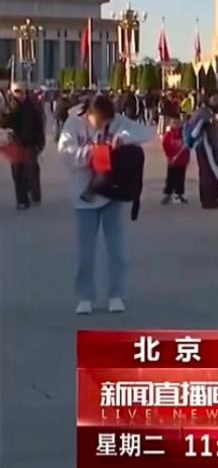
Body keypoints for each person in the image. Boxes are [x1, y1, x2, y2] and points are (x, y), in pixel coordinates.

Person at [58, 94, 153, 314]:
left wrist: (123, 138)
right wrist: (90, 153)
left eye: (106, 123)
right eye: (99, 122)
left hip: (111, 192)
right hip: (84, 195)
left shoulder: (115, 120)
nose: (102, 126)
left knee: (116, 250)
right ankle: (85, 296)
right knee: (85, 252)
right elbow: (65, 154)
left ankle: (115, 294)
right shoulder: (73, 123)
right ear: (88, 115)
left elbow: (144, 132)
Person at [2, 83, 45, 209]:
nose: (19, 94)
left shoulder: (33, 107)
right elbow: (4, 124)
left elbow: (39, 125)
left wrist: (40, 142)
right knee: (17, 172)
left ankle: (34, 193)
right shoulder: (10, 107)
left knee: (30, 170)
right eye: (16, 91)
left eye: (21, 91)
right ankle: (22, 199)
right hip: (16, 143)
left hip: (31, 143)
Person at [160, 116, 190, 204]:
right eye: (174, 123)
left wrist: (187, 158)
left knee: (181, 177)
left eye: (178, 123)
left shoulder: (184, 134)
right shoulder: (169, 134)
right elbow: (165, 145)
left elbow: (187, 147)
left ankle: (179, 193)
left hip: (182, 161)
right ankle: (168, 193)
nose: (176, 125)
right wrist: (168, 156)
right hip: (172, 160)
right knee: (170, 177)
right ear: (170, 124)